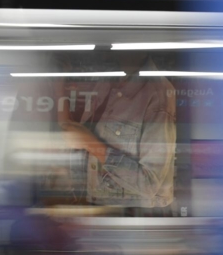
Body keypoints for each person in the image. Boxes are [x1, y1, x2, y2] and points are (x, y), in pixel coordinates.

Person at [58, 51, 176, 210]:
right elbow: (76, 134)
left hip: (136, 216)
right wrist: (59, 82)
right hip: (102, 205)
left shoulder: (158, 93)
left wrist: (92, 145)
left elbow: (149, 184)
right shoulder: (108, 80)